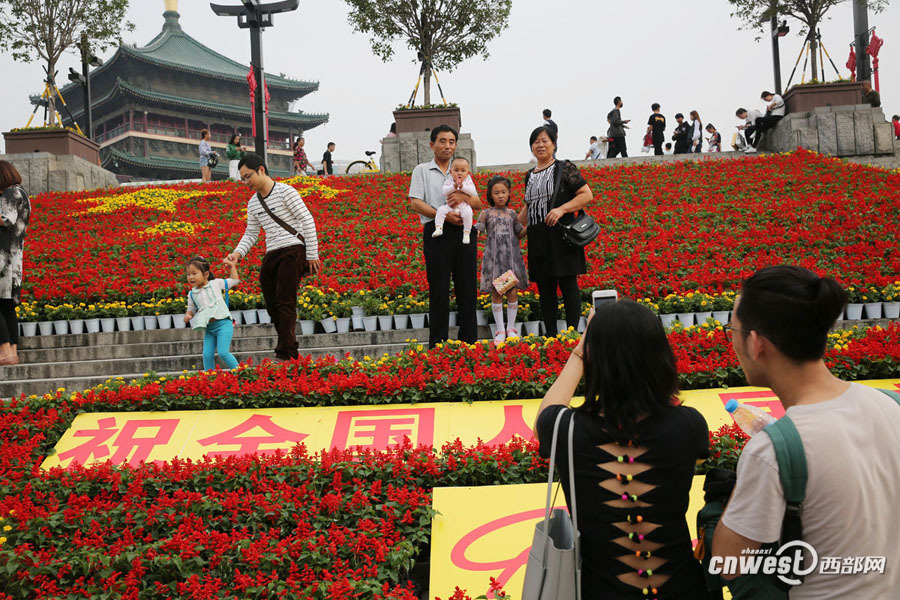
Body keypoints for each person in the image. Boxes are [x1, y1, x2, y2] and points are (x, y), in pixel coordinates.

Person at [712, 265, 900, 599]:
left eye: (733, 330)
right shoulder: (892, 405)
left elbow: (728, 563)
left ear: (756, 344)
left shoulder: (772, 451)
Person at [534, 300, 711, 598]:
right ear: (660, 356)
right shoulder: (690, 425)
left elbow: (543, 420)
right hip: (684, 589)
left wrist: (580, 352)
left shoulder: (565, 429)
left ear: (595, 358)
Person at [226, 153, 321, 362]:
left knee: (285, 301)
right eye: (242, 178)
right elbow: (251, 233)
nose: (246, 182)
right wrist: (237, 253)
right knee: (272, 303)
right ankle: (289, 347)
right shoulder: (253, 203)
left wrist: (312, 254)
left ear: (261, 170)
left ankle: (285, 352)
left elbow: (307, 219)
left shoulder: (286, 192)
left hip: (293, 249)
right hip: (272, 253)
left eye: (248, 176)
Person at [408, 125, 482, 348]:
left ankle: (468, 342)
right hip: (437, 231)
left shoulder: (461, 168)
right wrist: (445, 216)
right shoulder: (421, 170)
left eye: (451, 141)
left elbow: (478, 202)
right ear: (432, 145)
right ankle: (438, 344)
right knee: (439, 289)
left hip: (464, 232)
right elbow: (415, 203)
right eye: (442, 141)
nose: (447, 145)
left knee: (467, 288)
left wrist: (462, 196)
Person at [518, 126, 592, 336]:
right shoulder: (529, 176)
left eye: (544, 141)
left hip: (560, 235)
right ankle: (551, 335)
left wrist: (561, 209)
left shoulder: (564, 168)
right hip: (537, 237)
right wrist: (513, 228)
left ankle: (571, 333)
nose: (540, 145)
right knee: (545, 289)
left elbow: (586, 195)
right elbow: (529, 206)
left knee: (568, 285)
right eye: (536, 142)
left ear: (553, 144)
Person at [474, 175, 528, 344]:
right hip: (494, 260)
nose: (500, 195)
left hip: (510, 260)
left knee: (512, 291)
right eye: (496, 192)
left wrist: (531, 226)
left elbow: (519, 233)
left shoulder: (512, 214)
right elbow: (478, 229)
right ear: (490, 195)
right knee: (497, 292)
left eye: (504, 192)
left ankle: (511, 328)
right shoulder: (486, 213)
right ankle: (500, 330)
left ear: (509, 193)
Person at [184, 256, 240, 371]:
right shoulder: (192, 294)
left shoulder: (216, 284)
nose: (191, 277)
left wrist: (232, 267)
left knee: (223, 352)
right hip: (209, 328)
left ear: (206, 274)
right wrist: (189, 315)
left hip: (224, 324)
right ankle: (209, 378)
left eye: (194, 273)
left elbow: (234, 281)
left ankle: (240, 372)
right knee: (207, 355)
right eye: (188, 274)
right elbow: (192, 308)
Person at [0, 161, 30, 367]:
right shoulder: (20, 193)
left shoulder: (12, 193)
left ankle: (4, 351)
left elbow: (6, 219)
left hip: (3, 260)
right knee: (6, 306)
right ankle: (11, 352)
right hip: (13, 261)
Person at [433, 156, 476, 244]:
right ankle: (439, 228)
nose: (459, 173)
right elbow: (444, 191)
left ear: (468, 173)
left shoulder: (468, 182)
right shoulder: (449, 182)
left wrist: (463, 187)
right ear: (451, 172)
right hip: (450, 206)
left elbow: (471, 192)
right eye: (456, 170)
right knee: (441, 210)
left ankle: (466, 233)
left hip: (463, 206)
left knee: (468, 213)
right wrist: (454, 187)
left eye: (463, 171)